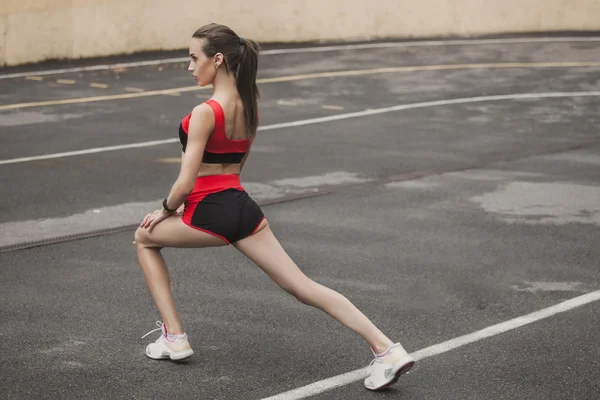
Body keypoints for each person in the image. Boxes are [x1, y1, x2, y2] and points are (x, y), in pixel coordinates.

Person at [135, 23, 414, 391]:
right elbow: (236, 167)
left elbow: (187, 181)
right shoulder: (250, 107)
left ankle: (175, 337)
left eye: (193, 57)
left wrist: (166, 209)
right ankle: (387, 349)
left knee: (144, 239)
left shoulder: (206, 111)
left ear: (217, 60)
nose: (189, 66)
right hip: (242, 208)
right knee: (302, 286)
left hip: (210, 211)